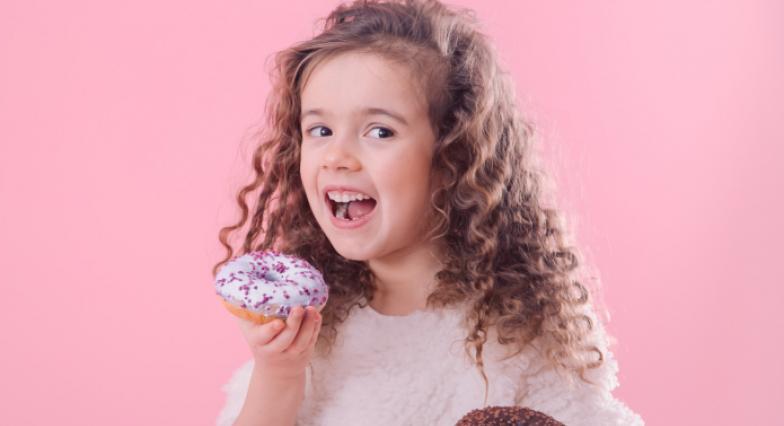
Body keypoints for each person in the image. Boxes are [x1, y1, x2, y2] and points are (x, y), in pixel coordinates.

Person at [212, 0, 645, 425]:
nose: (337, 156)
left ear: (452, 156)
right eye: (320, 130)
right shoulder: (311, 334)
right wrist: (278, 376)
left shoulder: (518, 340)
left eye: (380, 131)